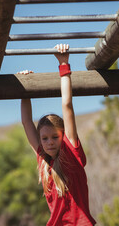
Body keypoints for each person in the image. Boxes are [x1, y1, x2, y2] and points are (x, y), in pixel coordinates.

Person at [19, 44, 96, 225]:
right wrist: (24, 88)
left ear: (64, 136)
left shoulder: (72, 154)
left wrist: (64, 64)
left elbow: (67, 105)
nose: (50, 142)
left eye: (55, 137)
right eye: (44, 139)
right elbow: (26, 122)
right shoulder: (44, 161)